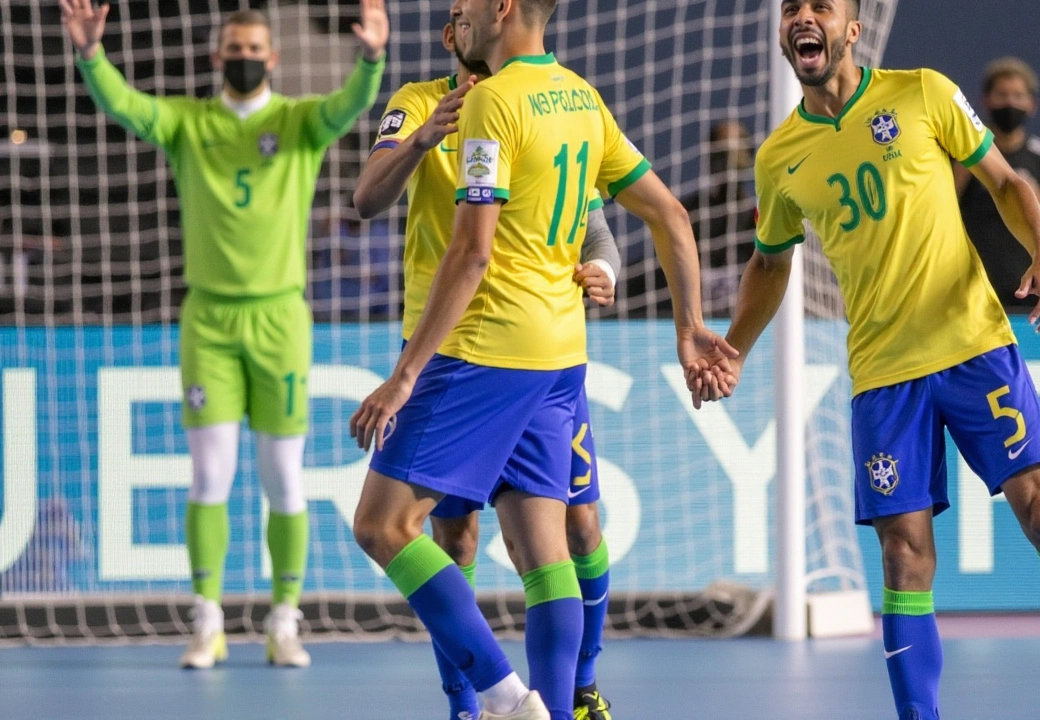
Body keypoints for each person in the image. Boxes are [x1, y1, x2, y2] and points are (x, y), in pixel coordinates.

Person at [719, 1, 1040, 719]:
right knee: (902, 557)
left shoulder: (924, 93)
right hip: (883, 378)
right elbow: (769, 263)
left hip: (974, 346)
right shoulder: (779, 156)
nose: (802, 16)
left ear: (852, 30)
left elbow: (1007, 182)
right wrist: (732, 348)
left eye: (821, 6)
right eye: (792, 7)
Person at [345, 1, 734, 719]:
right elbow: (673, 215)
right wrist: (689, 329)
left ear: (499, 11)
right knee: (540, 546)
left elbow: (474, 251)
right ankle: (542, 709)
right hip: (557, 357)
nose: (456, 19)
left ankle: (504, 700)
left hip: (474, 347)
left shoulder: (494, 102)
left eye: (466, 7)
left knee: (381, 524)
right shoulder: (578, 97)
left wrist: (403, 378)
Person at [60, 0, 387, 669]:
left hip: (280, 320)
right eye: (232, 46)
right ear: (218, 56)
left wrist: (372, 58)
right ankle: (206, 620)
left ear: (272, 58)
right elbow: (125, 104)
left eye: (253, 48)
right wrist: (91, 54)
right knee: (209, 475)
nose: (242, 56)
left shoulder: (298, 123)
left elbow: (351, 105)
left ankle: (283, 621)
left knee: (283, 481)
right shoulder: (189, 123)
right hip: (208, 320)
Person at [351, 17, 621, 720]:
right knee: (455, 536)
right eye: (460, 16)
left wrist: (605, 266)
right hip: (453, 349)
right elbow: (366, 198)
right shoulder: (416, 101)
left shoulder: (539, 106)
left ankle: (564, 694)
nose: (472, 20)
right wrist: (421, 140)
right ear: (451, 39)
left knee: (574, 529)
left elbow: (595, 223)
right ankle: (468, 707)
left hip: (525, 352)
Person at [957, 57, 1040, 307]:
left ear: (1032, 105)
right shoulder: (965, 153)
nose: (1010, 102)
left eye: (1018, 96)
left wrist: (1025, 188)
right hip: (971, 286)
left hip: (1027, 288)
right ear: (985, 101)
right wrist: (965, 166)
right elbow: (941, 206)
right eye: (1002, 94)